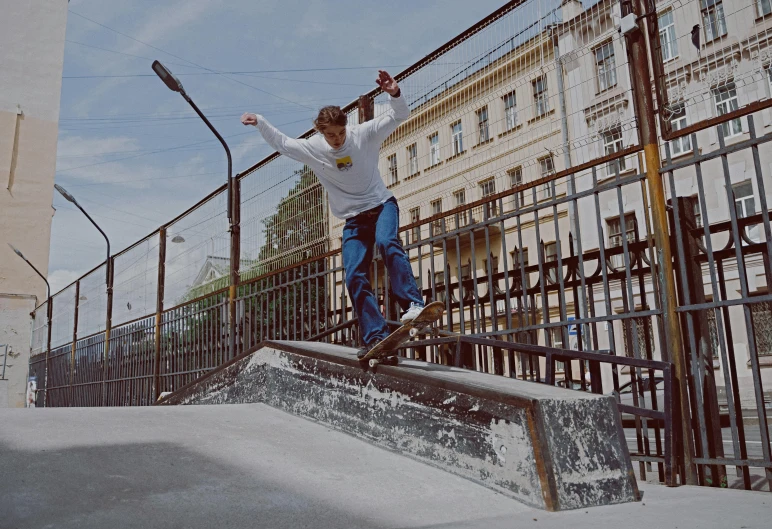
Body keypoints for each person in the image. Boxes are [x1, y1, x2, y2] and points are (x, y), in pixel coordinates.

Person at [241, 70, 425, 358]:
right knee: (353, 275)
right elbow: (284, 144)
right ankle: (375, 336)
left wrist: (395, 94)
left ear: (346, 127)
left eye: (340, 133)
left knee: (388, 243)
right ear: (320, 133)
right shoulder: (314, 148)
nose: (337, 140)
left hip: (382, 206)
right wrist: (261, 122)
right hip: (353, 220)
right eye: (330, 136)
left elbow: (398, 116)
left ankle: (413, 304)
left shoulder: (363, 134)